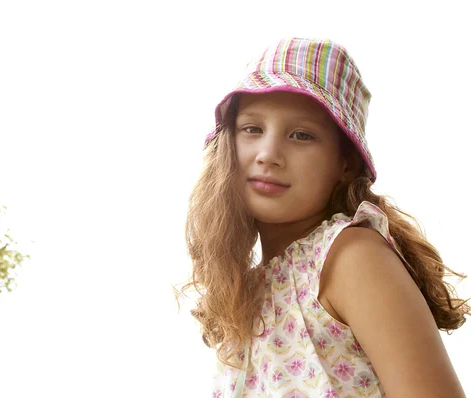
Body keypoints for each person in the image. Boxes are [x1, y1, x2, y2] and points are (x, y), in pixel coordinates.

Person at [179, 38, 469, 397]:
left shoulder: (350, 257)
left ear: (344, 163)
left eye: (301, 135)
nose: (268, 154)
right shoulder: (252, 290)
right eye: (252, 129)